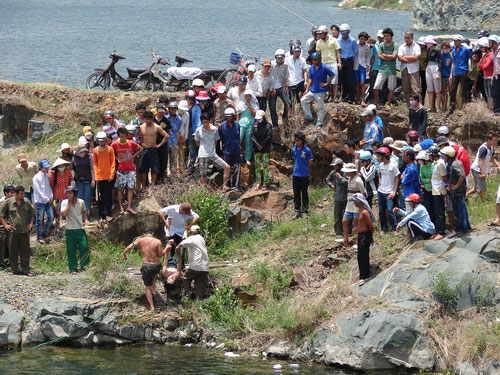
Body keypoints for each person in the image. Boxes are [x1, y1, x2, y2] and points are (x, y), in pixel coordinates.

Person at [122, 229, 164, 311]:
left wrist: (124, 253)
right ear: (153, 233)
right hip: (156, 265)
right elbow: (160, 255)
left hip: (147, 266)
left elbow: (129, 247)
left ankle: (151, 306)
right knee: (153, 275)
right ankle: (153, 284)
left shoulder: (140, 240)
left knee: (147, 287)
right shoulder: (158, 241)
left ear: (143, 234)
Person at [0, 186, 35, 276]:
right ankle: (14, 269)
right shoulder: (8, 202)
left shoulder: (26, 202)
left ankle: (26, 270)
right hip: (12, 231)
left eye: (23, 193)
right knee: (13, 251)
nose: (23, 195)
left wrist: (30, 224)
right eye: (21, 194)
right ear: (16, 193)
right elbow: (1, 215)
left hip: (24, 231)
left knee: (25, 251)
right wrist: (5, 225)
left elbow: (32, 214)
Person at [195, 113, 230, 190]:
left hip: (212, 154)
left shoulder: (214, 129)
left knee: (227, 167)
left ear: (209, 121)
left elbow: (216, 141)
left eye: (206, 122)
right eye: (203, 122)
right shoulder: (198, 130)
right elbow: (197, 143)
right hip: (203, 154)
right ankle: (203, 192)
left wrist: (211, 148)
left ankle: (224, 186)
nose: (205, 124)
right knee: (203, 175)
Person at [111, 127, 142, 215]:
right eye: (121, 137)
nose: (123, 138)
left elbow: (140, 148)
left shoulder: (131, 143)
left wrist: (133, 156)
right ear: (118, 136)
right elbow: (110, 152)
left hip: (131, 169)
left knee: (130, 188)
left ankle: (129, 206)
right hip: (121, 170)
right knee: (120, 189)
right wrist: (116, 158)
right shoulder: (115, 144)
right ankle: (121, 206)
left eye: (124, 136)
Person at [174, 225, 209, 300]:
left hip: (196, 265)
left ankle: (188, 295)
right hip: (205, 267)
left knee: (186, 278)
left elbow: (179, 245)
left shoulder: (192, 238)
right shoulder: (201, 238)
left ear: (192, 232)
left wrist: (177, 251)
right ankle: (198, 302)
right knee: (199, 287)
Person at [301, 52, 335, 127]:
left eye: (316, 60)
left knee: (320, 108)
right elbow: (310, 79)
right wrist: (307, 89)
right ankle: (309, 116)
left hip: (321, 91)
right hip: (313, 90)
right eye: (313, 60)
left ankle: (319, 123)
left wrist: (326, 83)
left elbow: (332, 75)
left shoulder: (324, 67)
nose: (314, 61)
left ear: (319, 59)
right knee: (303, 100)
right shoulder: (312, 68)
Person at [441, 146, 469, 237]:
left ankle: (459, 230)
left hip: (458, 191)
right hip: (457, 190)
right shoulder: (454, 163)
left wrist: (456, 186)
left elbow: (461, 175)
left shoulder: (454, 164)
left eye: (444, 155)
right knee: (459, 210)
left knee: (457, 211)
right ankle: (464, 228)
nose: (443, 157)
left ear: (448, 155)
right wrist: (450, 185)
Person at [60, 185, 89, 273]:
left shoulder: (81, 202)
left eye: (70, 193)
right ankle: (73, 268)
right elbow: (64, 214)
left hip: (80, 228)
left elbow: (84, 210)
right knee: (71, 250)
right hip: (70, 229)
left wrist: (86, 219)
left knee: (84, 247)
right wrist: (69, 204)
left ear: (74, 194)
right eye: (67, 193)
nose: (68, 195)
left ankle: (85, 266)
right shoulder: (64, 202)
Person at [139, 111, 169, 191]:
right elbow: (139, 137)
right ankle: (144, 186)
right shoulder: (141, 127)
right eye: (146, 119)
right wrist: (141, 144)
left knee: (154, 168)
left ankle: (152, 185)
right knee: (143, 169)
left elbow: (166, 136)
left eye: (149, 119)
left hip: (153, 149)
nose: (148, 121)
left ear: (152, 119)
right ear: (144, 119)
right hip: (144, 149)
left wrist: (158, 145)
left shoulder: (156, 127)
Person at [350, 193, 375, 285]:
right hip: (360, 235)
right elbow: (357, 226)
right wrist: (357, 238)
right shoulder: (359, 211)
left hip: (365, 234)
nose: (354, 203)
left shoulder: (364, 212)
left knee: (364, 255)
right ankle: (362, 275)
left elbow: (371, 226)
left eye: (355, 201)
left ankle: (365, 276)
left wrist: (371, 237)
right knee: (360, 256)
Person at [467, 131, 499, 201]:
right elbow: (480, 160)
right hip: (477, 169)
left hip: (481, 169)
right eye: (494, 140)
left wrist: (498, 165)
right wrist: (483, 172)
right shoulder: (483, 148)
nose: (496, 142)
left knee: (478, 187)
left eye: (496, 140)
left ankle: (466, 195)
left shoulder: (491, 147)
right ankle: (483, 202)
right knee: (482, 188)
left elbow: (491, 157)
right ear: (488, 140)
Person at [93, 131, 115, 224]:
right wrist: (96, 176)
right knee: (101, 196)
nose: (101, 142)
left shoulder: (110, 149)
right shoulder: (95, 150)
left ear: (106, 140)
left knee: (108, 195)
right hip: (100, 177)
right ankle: (101, 215)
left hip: (108, 176)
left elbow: (113, 162)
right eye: (99, 141)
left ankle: (108, 214)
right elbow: (95, 164)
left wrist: (111, 174)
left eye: (103, 141)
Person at [376, 147, 400, 232]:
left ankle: (394, 228)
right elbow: (379, 174)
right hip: (381, 191)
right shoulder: (381, 165)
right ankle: (384, 228)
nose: (377, 158)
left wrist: (394, 191)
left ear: (384, 156)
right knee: (381, 211)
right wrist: (380, 180)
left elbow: (397, 177)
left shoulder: (393, 166)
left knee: (390, 210)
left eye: (379, 156)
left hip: (389, 191)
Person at [342, 163, 366, 246]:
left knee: (356, 223)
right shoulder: (349, 179)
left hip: (356, 204)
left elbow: (363, 192)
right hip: (349, 203)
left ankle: (357, 241)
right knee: (344, 221)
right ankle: (346, 239)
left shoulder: (358, 180)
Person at [374, 28, 398, 109]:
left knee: (391, 88)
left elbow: (394, 56)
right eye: (384, 36)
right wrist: (389, 57)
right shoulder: (381, 45)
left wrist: (385, 55)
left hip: (391, 69)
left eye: (387, 36)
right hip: (382, 69)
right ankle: (376, 103)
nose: (386, 38)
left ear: (391, 36)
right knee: (376, 86)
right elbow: (379, 56)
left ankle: (388, 104)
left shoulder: (395, 45)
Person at [315, 25, 341, 102]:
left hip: (333, 62)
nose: (320, 35)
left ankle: (335, 97)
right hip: (323, 63)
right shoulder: (318, 42)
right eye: (319, 34)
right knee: (325, 81)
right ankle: (327, 96)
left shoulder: (333, 40)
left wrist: (339, 62)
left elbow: (337, 52)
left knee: (334, 81)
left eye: (321, 34)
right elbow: (318, 54)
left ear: (325, 33)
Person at [449, 35, 473, 113]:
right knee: (453, 90)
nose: (455, 42)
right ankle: (452, 107)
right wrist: (451, 74)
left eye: (457, 41)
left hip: (463, 71)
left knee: (464, 89)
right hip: (456, 72)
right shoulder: (453, 51)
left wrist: (471, 68)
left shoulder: (465, 50)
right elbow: (453, 62)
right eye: (454, 41)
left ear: (460, 41)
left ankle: (464, 107)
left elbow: (471, 57)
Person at [428, 145, 447, 240]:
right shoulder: (435, 163)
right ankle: (438, 230)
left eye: (430, 155)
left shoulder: (440, 163)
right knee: (436, 211)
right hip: (434, 190)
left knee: (440, 212)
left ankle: (441, 232)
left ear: (434, 155)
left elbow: (444, 177)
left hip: (439, 190)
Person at [218, 108, 241, 190]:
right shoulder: (222, 126)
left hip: (236, 150)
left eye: (230, 116)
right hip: (226, 151)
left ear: (233, 116)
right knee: (227, 168)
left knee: (236, 168)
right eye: (227, 116)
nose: (229, 118)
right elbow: (220, 138)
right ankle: (227, 184)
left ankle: (236, 184)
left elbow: (239, 137)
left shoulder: (237, 125)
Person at [291, 132, 313, 218]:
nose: (297, 143)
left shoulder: (307, 150)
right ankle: (297, 210)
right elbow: (294, 158)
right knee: (296, 193)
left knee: (304, 192)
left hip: (304, 175)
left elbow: (310, 162)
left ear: (302, 141)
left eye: (298, 141)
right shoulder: (294, 149)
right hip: (296, 174)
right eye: (295, 141)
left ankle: (305, 210)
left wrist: (306, 170)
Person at [32, 159, 54, 244]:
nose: (47, 169)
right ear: (41, 167)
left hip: (48, 200)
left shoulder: (47, 176)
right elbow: (38, 191)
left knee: (50, 217)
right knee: (39, 220)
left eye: (47, 167)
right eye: (45, 168)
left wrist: (51, 196)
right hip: (40, 201)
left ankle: (44, 232)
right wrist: (46, 199)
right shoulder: (36, 178)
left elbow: (49, 187)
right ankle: (39, 237)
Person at [398, 31, 422, 105]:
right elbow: (399, 58)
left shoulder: (416, 46)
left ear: (412, 38)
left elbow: (417, 57)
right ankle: (409, 106)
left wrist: (405, 58)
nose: (406, 39)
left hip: (414, 70)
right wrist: (411, 59)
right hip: (405, 69)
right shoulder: (402, 46)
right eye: (405, 38)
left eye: (408, 38)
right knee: (406, 89)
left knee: (415, 89)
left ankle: (418, 105)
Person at [49, 158, 73, 232]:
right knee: (58, 211)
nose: (61, 167)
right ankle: (57, 226)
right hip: (58, 195)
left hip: (67, 195)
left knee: (68, 210)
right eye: (60, 166)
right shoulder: (54, 174)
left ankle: (68, 225)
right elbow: (52, 184)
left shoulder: (68, 171)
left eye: (62, 165)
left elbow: (71, 180)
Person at [326, 158, 348, 235]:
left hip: (345, 197)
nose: (334, 167)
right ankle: (338, 232)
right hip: (337, 197)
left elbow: (348, 182)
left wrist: (340, 177)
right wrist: (331, 185)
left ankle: (348, 231)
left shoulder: (345, 172)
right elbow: (327, 179)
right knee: (337, 216)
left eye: (335, 166)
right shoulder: (333, 172)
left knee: (347, 215)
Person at [251, 110, 272, 190]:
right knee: (257, 166)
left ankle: (265, 183)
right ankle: (258, 182)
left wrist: (262, 145)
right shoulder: (254, 125)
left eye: (260, 118)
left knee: (265, 166)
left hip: (265, 148)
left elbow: (269, 136)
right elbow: (252, 135)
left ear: (263, 117)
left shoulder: (268, 125)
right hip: (256, 148)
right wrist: (257, 145)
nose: (259, 120)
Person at [337, 24, 358, 104]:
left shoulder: (353, 40)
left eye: (345, 32)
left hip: (350, 61)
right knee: (343, 80)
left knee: (350, 80)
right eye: (342, 32)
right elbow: (338, 51)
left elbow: (355, 51)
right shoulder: (338, 40)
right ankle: (345, 97)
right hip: (342, 61)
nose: (343, 34)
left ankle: (352, 97)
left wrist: (350, 56)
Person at [236, 90, 258, 164]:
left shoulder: (254, 104)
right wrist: (237, 123)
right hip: (241, 124)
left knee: (249, 141)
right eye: (246, 96)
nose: (247, 97)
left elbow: (255, 113)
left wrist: (249, 106)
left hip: (250, 124)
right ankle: (236, 156)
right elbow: (238, 114)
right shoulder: (241, 104)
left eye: (248, 96)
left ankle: (247, 158)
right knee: (238, 139)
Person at [270, 49, 290, 128]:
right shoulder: (271, 64)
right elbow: (269, 77)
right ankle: (275, 124)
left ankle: (285, 118)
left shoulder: (285, 65)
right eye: (278, 58)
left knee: (288, 103)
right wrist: (272, 87)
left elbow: (285, 76)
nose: (280, 59)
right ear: (275, 57)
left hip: (281, 87)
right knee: (272, 106)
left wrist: (284, 87)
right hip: (272, 87)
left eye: (281, 57)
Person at [72, 143, 95, 215]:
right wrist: (73, 176)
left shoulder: (89, 157)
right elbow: (73, 169)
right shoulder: (74, 158)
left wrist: (93, 180)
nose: (83, 153)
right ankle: (80, 215)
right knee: (79, 199)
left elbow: (92, 169)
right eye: (81, 152)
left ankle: (86, 215)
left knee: (87, 198)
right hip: (78, 181)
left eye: (84, 151)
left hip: (88, 180)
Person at [285, 44, 307, 111]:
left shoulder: (302, 60)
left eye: (299, 51)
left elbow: (305, 71)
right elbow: (285, 70)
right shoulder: (287, 59)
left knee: (306, 92)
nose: (297, 53)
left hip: (300, 80)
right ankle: (291, 112)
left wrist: (305, 81)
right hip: (291, 82)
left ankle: (305, 107)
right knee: (292, 99)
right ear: (293, 51)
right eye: (296, 51)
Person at [152, 104, 171, 183]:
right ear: (156, 110)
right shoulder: (152, 120)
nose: (161, 113)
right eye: (160, 111)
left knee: (163, 162)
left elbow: (168, 132)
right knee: (155, 162)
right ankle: (155, 180)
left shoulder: (166, 121)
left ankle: (162, 179)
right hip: (153, 144)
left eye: (162, 112)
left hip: (163, 145)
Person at [185, 90, 202, 171]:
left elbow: (199, 120)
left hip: (192, 129)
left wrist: (196, 132)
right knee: (184, 148)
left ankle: (191, 165)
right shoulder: (183, 105)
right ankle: (184, 165)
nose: (190, 101)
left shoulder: (197, 107)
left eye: (191, 99)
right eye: (188, 99)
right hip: (184, 129)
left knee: (192, 147)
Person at [424, 36, 442, 112]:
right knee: (430, 89)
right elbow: (427, 59)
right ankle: (431, 106)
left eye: (428, 42)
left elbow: (440, 61)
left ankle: (438, 107)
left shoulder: (437, 50)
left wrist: (438, 72)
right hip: (428, 67)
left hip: (435, 67)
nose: (427, 44)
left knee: (437, 90)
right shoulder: (428, 50)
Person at [0, 184, 16, 268]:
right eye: (11, 193)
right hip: (2, 226)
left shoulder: (15, 202)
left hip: (12, 225)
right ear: (6, 193)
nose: (13, 194)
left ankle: (11, 262)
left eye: (14, 192)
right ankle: (2, 263)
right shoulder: (2, 202)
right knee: (2, 242)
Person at [416, 150, 434, 223]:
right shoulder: (422, 167)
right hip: (426, 189)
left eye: (420, 160)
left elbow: (434, 178)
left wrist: (430, 180)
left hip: (433, 190)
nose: (419, 162)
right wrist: (428, 180)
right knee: (428, 208)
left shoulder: (432, 165)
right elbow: (422, 178)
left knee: (434, 208)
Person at [165, 102, 181, 176]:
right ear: (169, 110)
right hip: (166, 139)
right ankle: (164, 173)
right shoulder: (165, 118)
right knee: (165, 157)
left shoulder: (179, 119)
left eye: (174, 109)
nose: (173, 111)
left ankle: (173, 173)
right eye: (171, 109)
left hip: (174, 140)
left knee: (174, 157)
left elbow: (179, 130)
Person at [355, 31, 371, 106]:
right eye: (361, 39)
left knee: (362, 82)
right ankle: (358, 99)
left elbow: (368, 56)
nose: (362, 41)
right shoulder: (355, 44)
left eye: (364, 39)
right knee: (357, 83)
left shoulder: (367, 46)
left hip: (363, 65)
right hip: (355, 65)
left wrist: (368, 65)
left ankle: (363, 100)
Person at [478, 37, 493, 107]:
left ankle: (492, 108)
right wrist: (484, 65)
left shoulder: (490, 55)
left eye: (481, 47)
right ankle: (489, 108)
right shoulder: (484, 55)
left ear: (485, 47)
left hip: (490, 77)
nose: (480, 49)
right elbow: (479, 65)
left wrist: (484, 65)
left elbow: (484, 66)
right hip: (486, 76)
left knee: (490, 94)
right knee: (487, 94)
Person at [369, 30, 384, 102]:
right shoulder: (375, 45)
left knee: (382, 85)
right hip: (375, 67)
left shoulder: (386, 45)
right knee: (373, 84)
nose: (380, 38)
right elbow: (371, 55)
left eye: (381, 37)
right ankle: (372, 99)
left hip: (383, 68)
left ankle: (381, 99)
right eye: (379, 37)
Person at [177, 100, 190, 174]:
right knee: (174, 153)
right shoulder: (174, 113)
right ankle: (173, 170)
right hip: (174, 136)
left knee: (181, 154)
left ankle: (181, 170)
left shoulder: (187, 115)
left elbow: (186, 126)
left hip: (182, 135)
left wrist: (186, 137)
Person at [440, 41, 453, 112]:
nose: (445, 49)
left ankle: (451, 106)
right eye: (443, 48)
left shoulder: (451, 55)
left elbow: (452, 66)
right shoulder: (441, 56)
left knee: (450, 92)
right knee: (443, 92)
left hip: (449, 76)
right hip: (442, 76)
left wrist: (451, 75)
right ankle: (444, 107)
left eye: (446, 48)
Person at [490, 35, 500, 114]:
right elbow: (494, 64)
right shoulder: (493, 52)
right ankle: (496, 111)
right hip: (496, 75)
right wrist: (492, 76)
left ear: (495, 43)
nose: (489, 44)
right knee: (495, 93)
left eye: (490, 42)